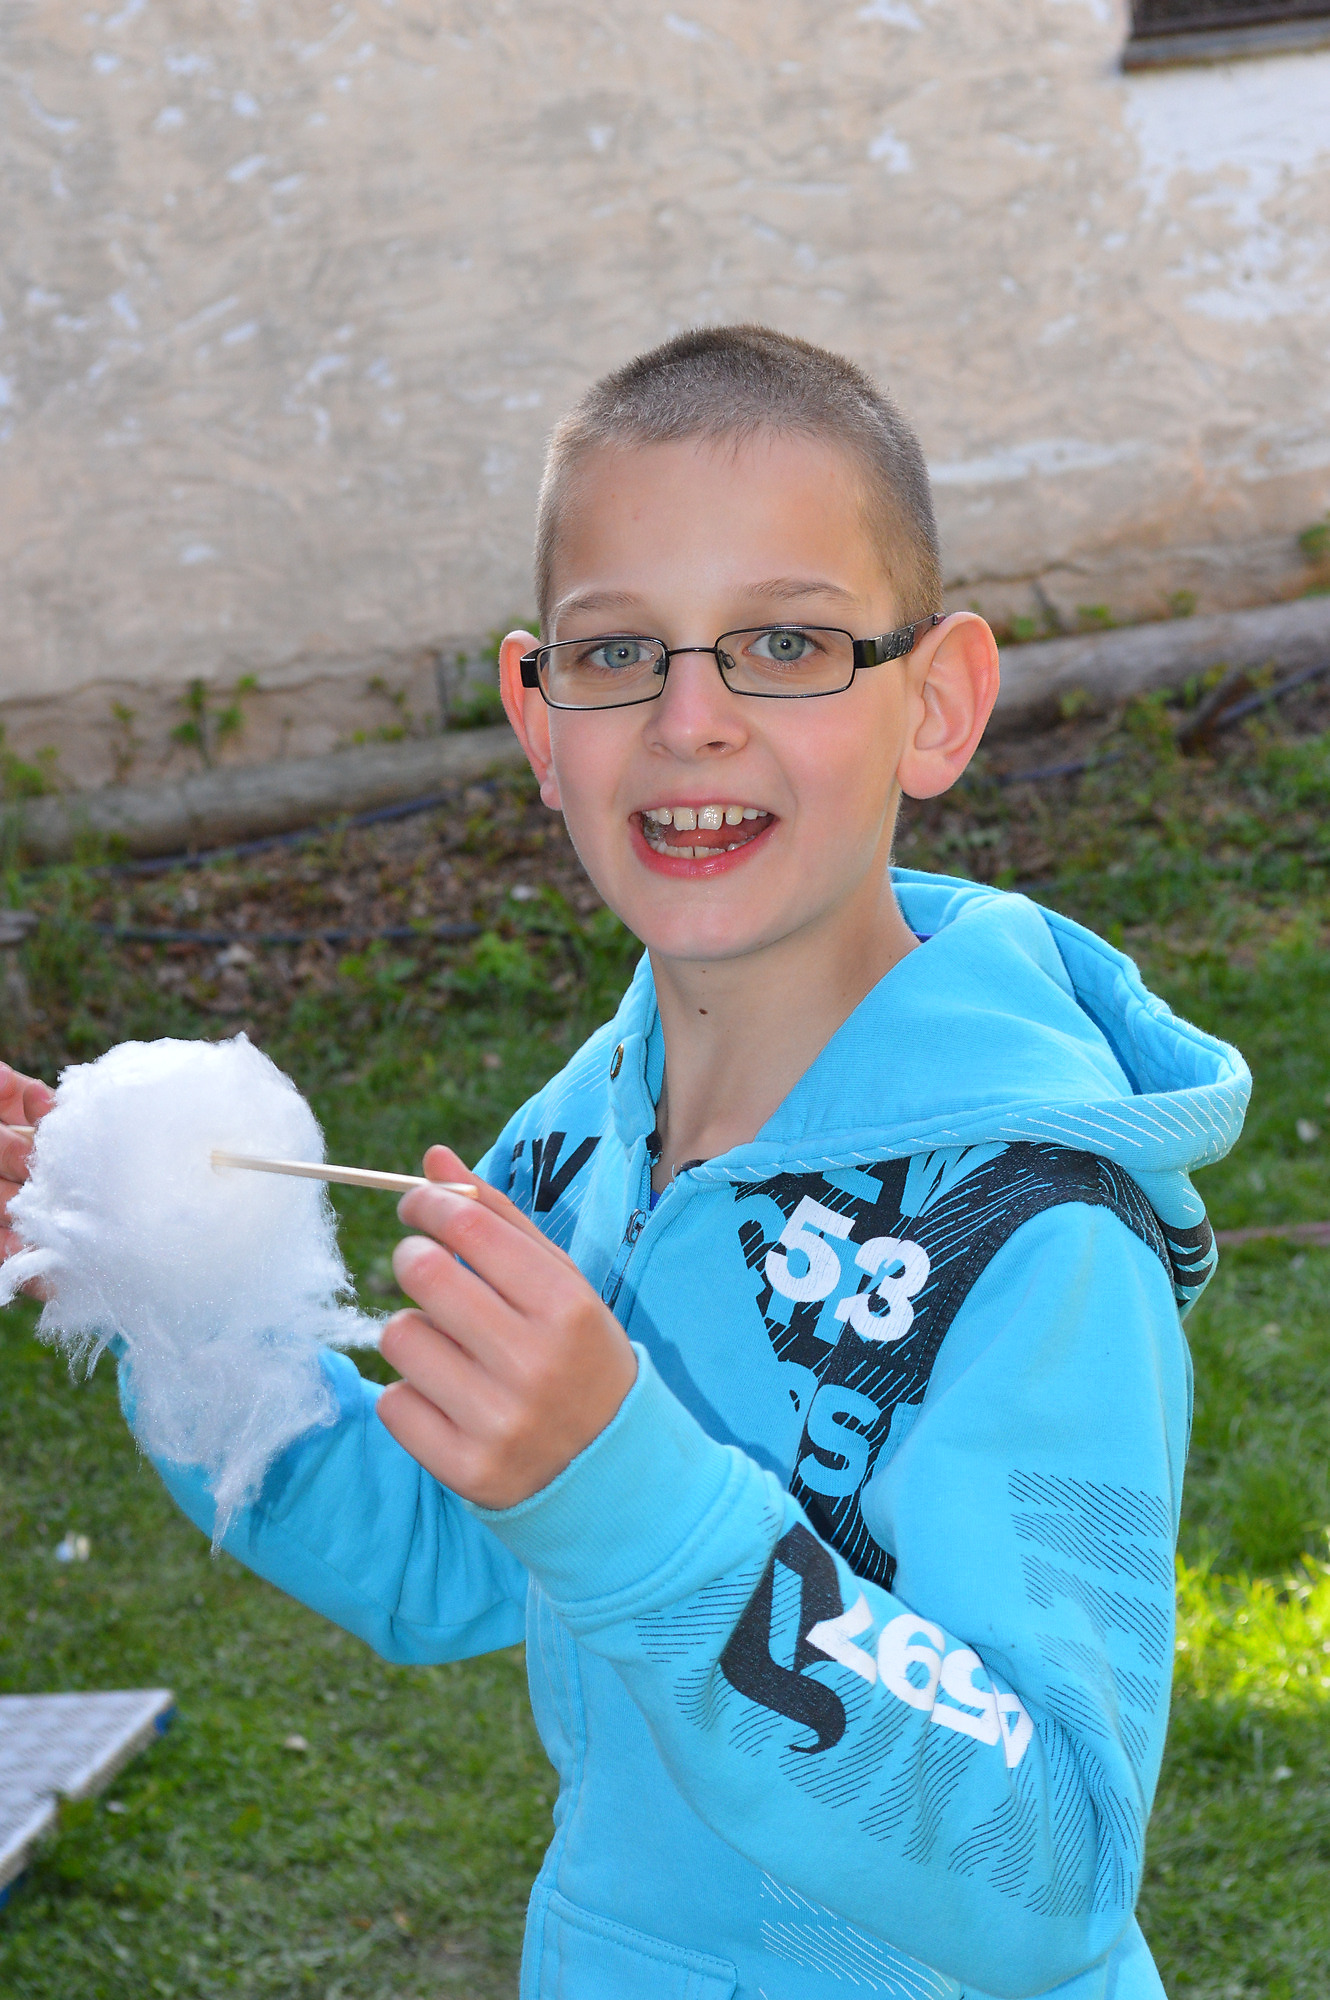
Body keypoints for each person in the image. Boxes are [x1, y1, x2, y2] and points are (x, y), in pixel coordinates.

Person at [0, 326, 1249, 2000]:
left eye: (786, 642)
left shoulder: (1038, 1229)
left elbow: (1053, 1872)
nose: (689, 721)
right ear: (538, 716)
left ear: (937, 701)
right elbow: (438, 1560)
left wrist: (639, 1498)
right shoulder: (584, 1135)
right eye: (616, 654)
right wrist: (172, 1297)